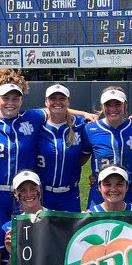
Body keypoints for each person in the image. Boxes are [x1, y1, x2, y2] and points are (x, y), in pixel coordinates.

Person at [0, 69, 45, 224]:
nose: (10, 103)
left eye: (15, 99)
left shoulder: (32, 118)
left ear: (21, 100)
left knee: (26, 241)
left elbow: (57, 109)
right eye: (5, 98)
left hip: (24, 195)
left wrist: (86, 115)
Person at [84, 87, 132, 207]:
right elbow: (81, 160)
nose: (113, 109)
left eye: (118, 104)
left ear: (125, 106)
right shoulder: (89, 129)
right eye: (108, 104)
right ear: (102, 106)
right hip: (100, 194)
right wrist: (95, 175)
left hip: (129, 193)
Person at [35, 84, 89, 212]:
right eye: (53, 98)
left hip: (70, 194)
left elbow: (84, 156)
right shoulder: (36, 126)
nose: (57, 102)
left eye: (62, 98)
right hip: (42, 193)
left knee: (71, 231)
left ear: (68, 101)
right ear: (46, 102)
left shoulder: (80, 125)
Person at [2, 170, 45, 265]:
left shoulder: (56, 219)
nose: (29, 194)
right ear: (15, 193)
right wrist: (13, 253)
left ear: (40, 189)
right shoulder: (8, 228)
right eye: (22, 191)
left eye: (33, 189)